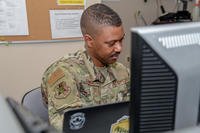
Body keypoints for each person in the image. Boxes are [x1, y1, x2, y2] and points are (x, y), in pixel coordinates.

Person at [41, 3, 130, 131]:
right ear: (89, 40)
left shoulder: (121, 70)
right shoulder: (65, 74)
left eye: (121, 40)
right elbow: (70, 128)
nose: (119, 48)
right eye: (111, 43)